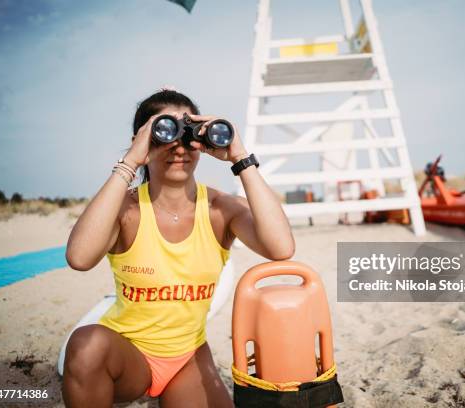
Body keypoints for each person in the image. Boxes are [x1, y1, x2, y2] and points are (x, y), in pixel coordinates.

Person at [62, 89, 295, 407]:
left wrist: (240, 157)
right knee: (86, 344)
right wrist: (131, 159)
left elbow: (281, 247)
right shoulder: (126, 210)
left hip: (187, 358)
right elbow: (79, 257)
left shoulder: (219, 209)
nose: (179, 148)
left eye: (189, 135)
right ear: (142, 138)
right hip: (129, 357)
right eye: (164, 133)